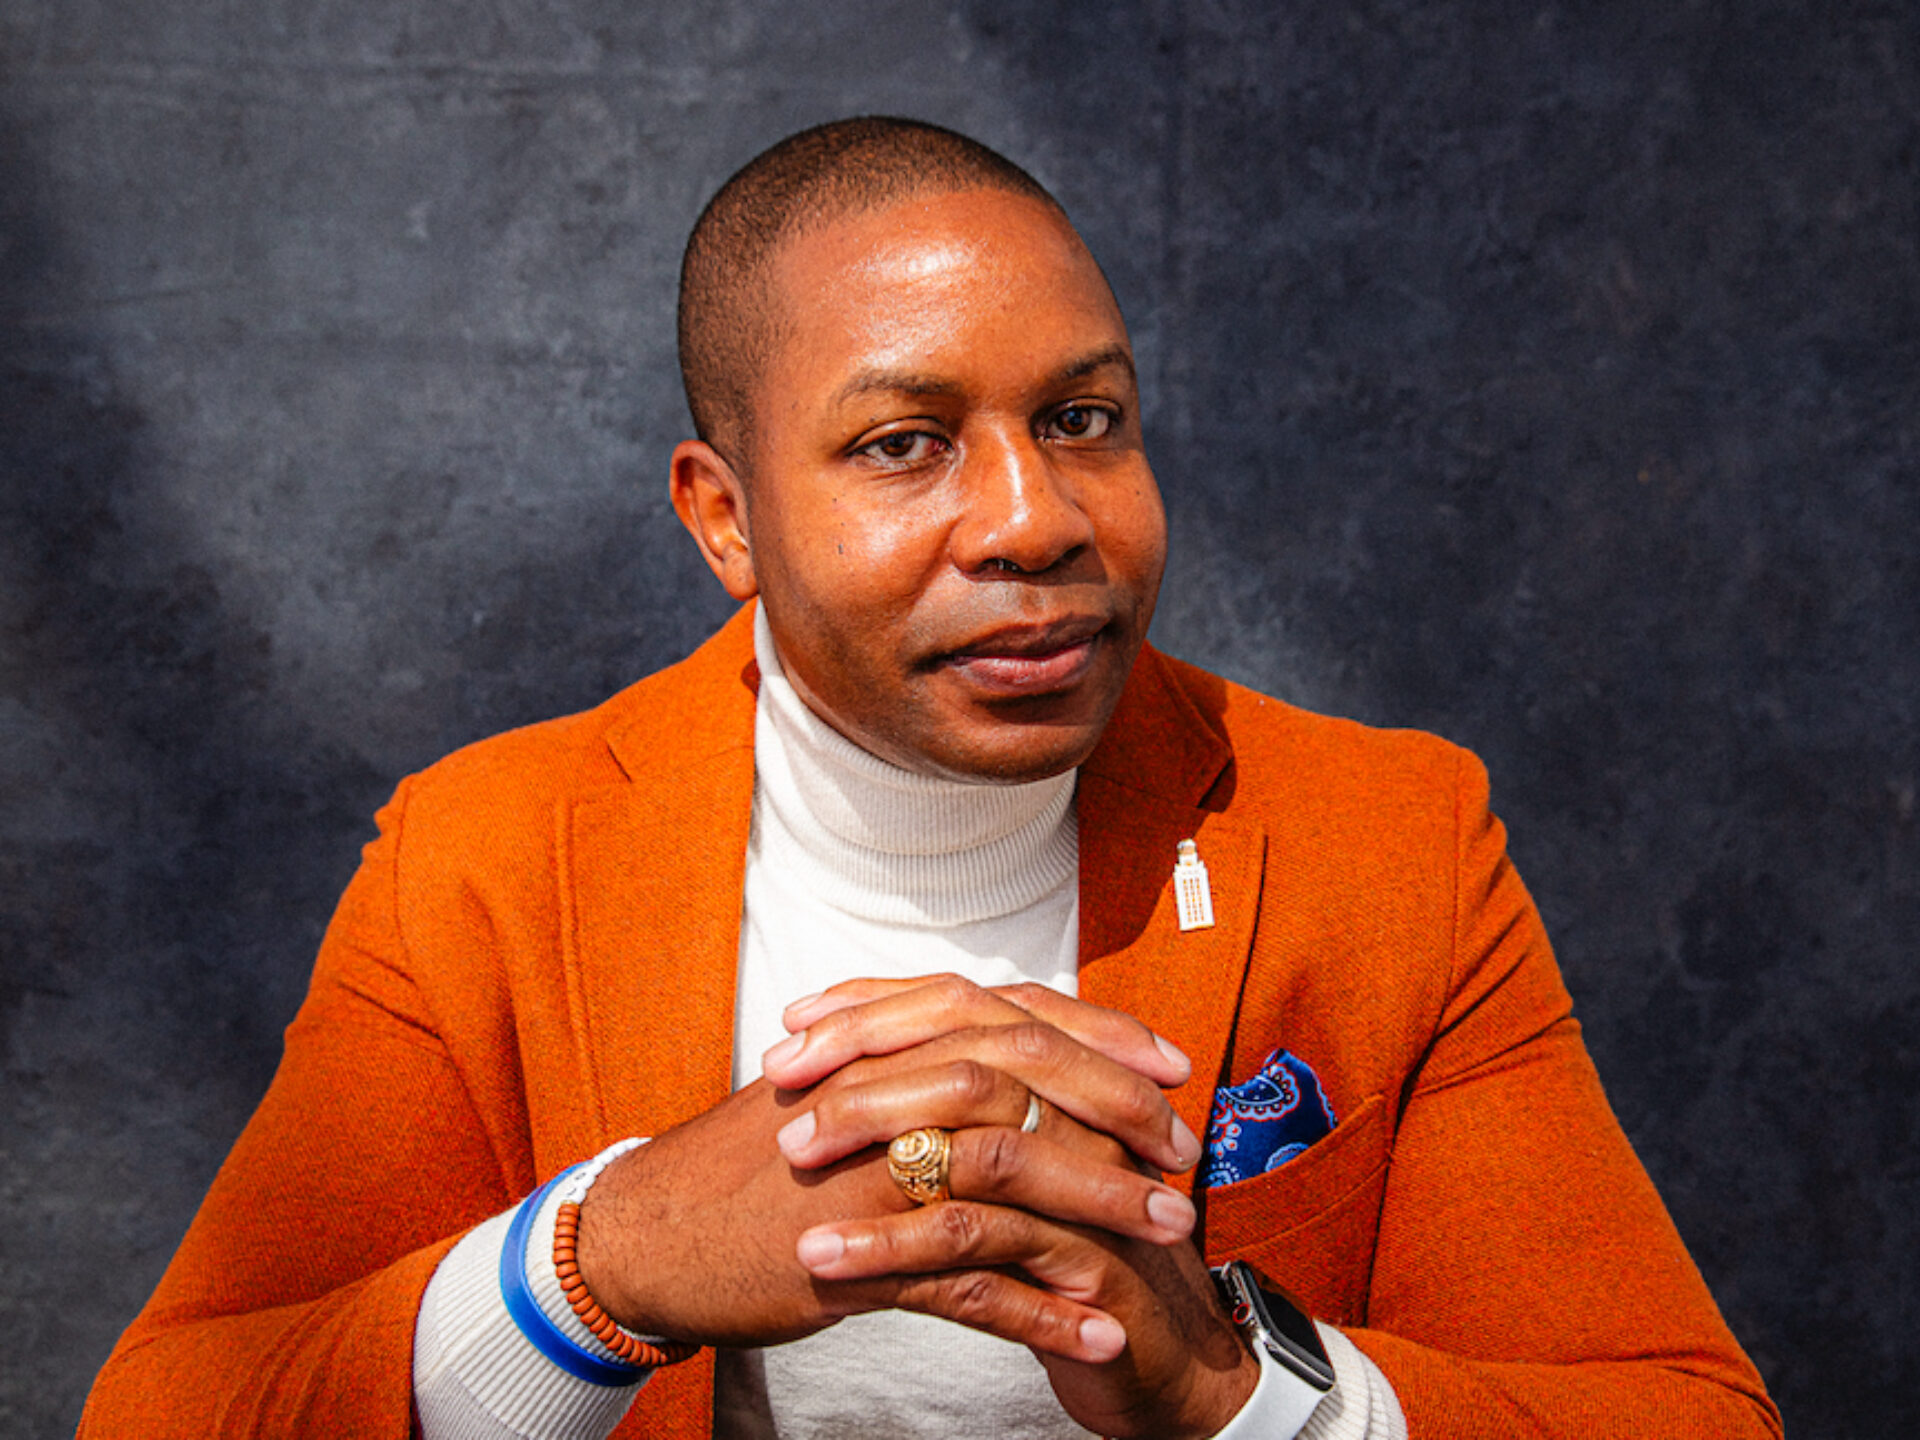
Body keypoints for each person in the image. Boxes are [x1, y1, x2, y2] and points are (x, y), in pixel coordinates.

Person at [79, 117, 1780, 1440]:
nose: (1035, 517)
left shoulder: (1388, 839)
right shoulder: (482, 858)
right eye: (904, 444)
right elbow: (168, 1413)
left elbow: (1677, 1415)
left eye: (1087, 420)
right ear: (724, 516)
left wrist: (1234, 1389)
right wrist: (603, 1261)